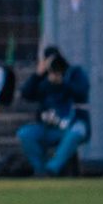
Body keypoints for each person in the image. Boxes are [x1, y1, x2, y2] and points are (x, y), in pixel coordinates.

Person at [16, 49, 90, 178]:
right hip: (49, 127)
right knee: (25, 133)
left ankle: (51, 169)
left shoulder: (74, 73)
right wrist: (38, 75)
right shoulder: (44, 78)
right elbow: (26, 94)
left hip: (71, 125)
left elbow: (82, 93)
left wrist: (62, 84)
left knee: (77, 132)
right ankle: (40, 170)